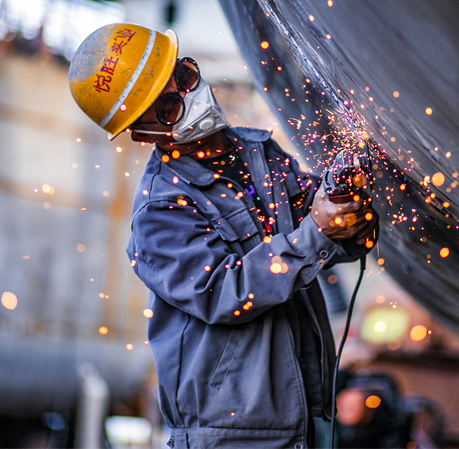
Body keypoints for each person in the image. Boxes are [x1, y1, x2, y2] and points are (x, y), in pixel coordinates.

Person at [68, 23, 379, 449]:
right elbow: (230, 291)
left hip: (305, 417)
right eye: (168, 106)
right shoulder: (160, 211)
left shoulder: (257, 154)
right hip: (233, 434)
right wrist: (318, 231)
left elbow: (315, 230)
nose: (187, 96)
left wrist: (347, 217)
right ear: (143, 133)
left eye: (184, 77)